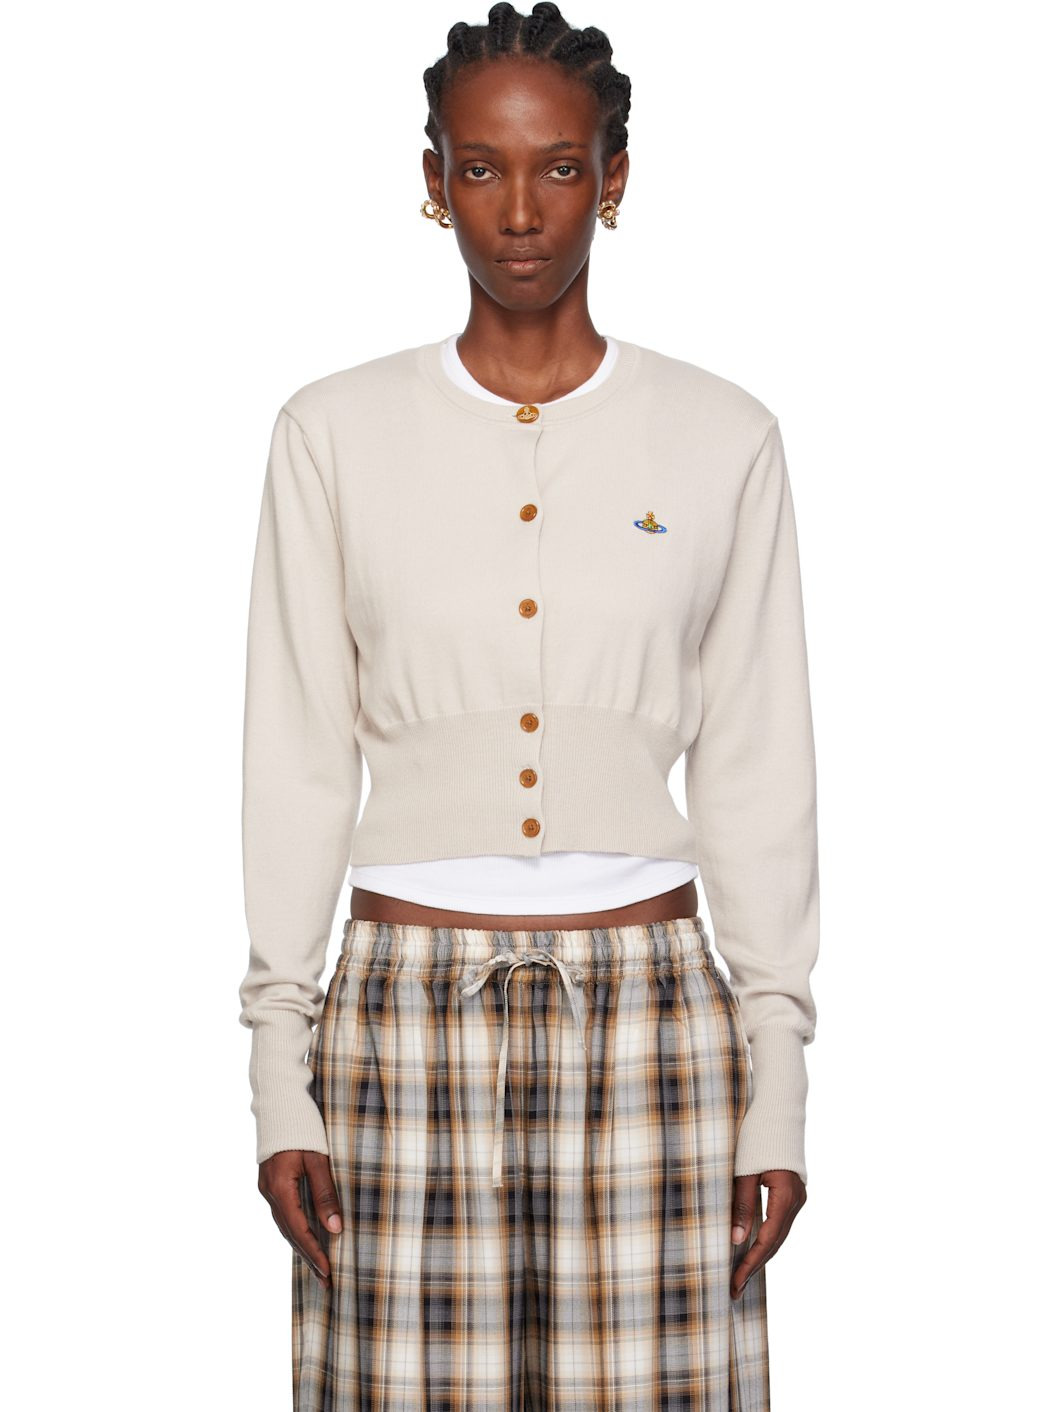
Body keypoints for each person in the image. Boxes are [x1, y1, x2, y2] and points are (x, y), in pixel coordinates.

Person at [238, 3, 820, 1407]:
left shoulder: (724, 437)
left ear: (613, 177)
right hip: (398, 1014)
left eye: (559, 166)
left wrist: (779, 1078)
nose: (518, 211)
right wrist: (276, 1068)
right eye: (480, 167)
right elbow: (295, 756)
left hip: (655, 1017)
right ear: (432, 178)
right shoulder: (331, 433)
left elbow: (758, 766)